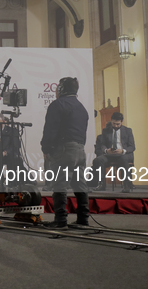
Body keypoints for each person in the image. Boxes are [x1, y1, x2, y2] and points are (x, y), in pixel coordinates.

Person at [41, 77, 89, 229]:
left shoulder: (58, 104)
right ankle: (83, 219)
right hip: (80, 150)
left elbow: (50, 130)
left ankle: (60, 220)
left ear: (61, 89)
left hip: (64, 149)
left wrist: (46, 149)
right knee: (80, 185)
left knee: (60, 184)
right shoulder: (82, 107)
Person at [91, 112, 135, 193]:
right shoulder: (105, 131)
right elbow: (102, 144)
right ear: (111, 121)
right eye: (114, 123)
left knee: (124, 159)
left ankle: (126, 185)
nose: (116, 126)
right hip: (110, 154)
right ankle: (101, 184)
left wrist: (122, 151)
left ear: (121, 122)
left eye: (118, 124)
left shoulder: (128, 131)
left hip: (123, 153)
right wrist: (106, 150)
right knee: (98, 160)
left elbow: (132, 147)